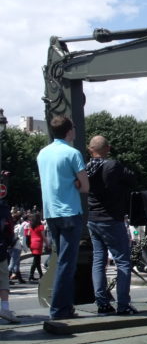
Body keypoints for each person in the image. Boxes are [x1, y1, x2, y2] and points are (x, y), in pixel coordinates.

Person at [36, 115, 89, 320]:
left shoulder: (42, 153)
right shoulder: (73, 153)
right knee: (68, 262)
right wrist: (76, 183)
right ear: (69, 131)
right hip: (70, 211)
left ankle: (65, 307)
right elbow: (85, 186)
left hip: (50, 212)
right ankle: (59, 309)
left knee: (61, 261)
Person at [86, 135, 137, 315]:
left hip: (93, 218)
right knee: (123, 261)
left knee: (99, 261)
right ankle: (123, 304)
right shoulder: (112, 165)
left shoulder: (87, 168)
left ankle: (102, 303)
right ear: (107, 148)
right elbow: (132, 179)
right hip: (111, 218)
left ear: (90, 149)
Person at [0, 201, 19, 323]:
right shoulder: (3, 209)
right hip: (0, 249)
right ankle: (5, 308)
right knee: (3, 280)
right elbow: (10, 230)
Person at [26, 213, 48, 282]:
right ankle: (40, 275)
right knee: (37, 261)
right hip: (38, 244)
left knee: (35, 261)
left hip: (32, 243)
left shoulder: (31, 226)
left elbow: (28, 234)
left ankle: (31, 275)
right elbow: (44, 237)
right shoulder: (41, 226)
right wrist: (47, 244)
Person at [8, 211, 26, 284]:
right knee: (12, 264)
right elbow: (22, 237)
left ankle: (20, 278)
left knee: (16, 263)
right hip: (17, 246)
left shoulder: (11, 226)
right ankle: (6, 279)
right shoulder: (19, 226)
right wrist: (24, 247)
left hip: (10, 246)